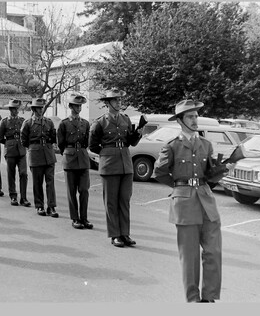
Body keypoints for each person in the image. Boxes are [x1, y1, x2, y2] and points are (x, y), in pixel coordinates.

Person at [154, 99, 226, 303]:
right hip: (185, 203)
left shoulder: (206, 144)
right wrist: (178, 187)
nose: (195, 120)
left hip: (206, 201)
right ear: (180, 120)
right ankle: (193, 299)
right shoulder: (172, 146)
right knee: (190, 256)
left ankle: (209, 297)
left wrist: (217, 173)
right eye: (190, 117)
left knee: (213, 251)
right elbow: (159, 172)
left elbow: (209, 173)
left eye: (196, 116)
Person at [88, 89, 142, 247]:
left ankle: (125, 233)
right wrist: (107, 154)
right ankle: (115, 235)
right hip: (110, 164)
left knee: (124, 200)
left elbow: (131, 142)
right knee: (111, 202)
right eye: (115, 100)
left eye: (120, 100)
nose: (119, 102)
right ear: (107, 103)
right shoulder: (100, 122)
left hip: (126, 164)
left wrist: (138, 134)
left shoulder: (125, 119)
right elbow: (93, 146)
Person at [57, 93, 93, 229]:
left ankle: (84, 218)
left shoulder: (85, 123)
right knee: (71, 191)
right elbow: (60, 143)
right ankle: (75, 218)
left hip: (83, 158)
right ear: (70, 106)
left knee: (84, 190)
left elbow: (87, 142)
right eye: (76, 106)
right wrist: (67, 153)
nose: (78, 108)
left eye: (80, 106)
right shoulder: (64, 123)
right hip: (70, 158)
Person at [20, 98, 58, 217]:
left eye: (42, 108)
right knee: (37, 182)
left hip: (48, 154)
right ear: (33, 109)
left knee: (50, 182)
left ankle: (51, 206)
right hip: (35, 154)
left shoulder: (49, 122)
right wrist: (34, 147)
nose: (40, 110)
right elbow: (24, 140)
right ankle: (39, 205)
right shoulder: (28, 123)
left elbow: (52, 137)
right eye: (38, 108)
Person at [0, 99, 30, 207]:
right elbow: (0, 137)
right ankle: (13, 196)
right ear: (9, 109)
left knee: (23, 173)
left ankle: (23, 198)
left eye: (15, 109)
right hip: (10, 150)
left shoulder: (22, 121)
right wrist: (8, 143)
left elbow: (26, 135)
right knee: (11, 174)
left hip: (21, 150)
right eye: (12, 109)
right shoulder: (4, 121)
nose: (14, 111)